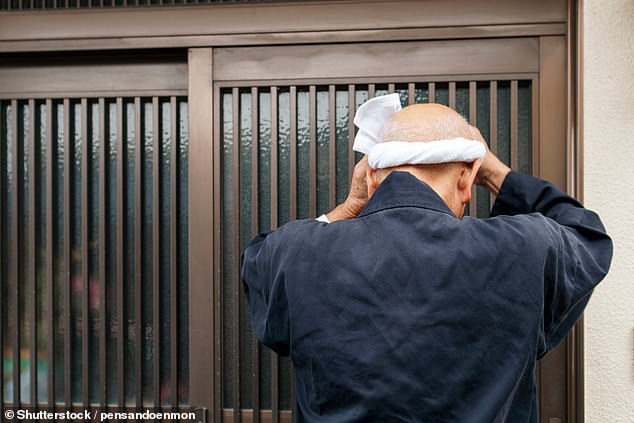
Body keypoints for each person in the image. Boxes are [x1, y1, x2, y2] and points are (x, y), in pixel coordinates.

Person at [240, 102, 613, 422]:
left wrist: (348, 208)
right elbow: (588, 235)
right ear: (467, 176)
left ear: (369, 177)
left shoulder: (298, 252)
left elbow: (259, 264)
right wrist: (496, 174)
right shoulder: (524, 248)